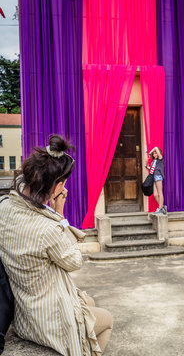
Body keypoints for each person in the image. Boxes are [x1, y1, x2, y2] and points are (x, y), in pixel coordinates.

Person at [0, 135, 113, 356]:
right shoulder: (48, 229)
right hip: (47, 322)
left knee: (88, 300)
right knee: (107, 319)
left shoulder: (3, 206)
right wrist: (59, 213)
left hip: (24, 309)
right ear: (57, 186)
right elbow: (74, 260)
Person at [145, 146, 167, 214]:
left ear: (158, 153)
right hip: (154, 177)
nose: (154, 154)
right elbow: (151, 168)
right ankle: (163, 207)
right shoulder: (153, 162)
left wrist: (150, 152)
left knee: (160, 193)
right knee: (155, 194)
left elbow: (156, 148)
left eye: (156, 153)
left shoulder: (160, 159)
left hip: (158, 176)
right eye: (153, 154)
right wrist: (147, 165)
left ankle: (160, 208)